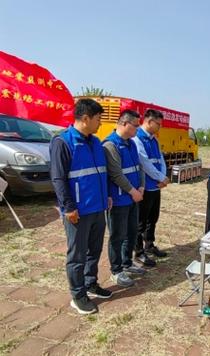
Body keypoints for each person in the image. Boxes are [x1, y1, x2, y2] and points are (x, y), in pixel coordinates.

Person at [50, 98, 112, 315]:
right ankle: (77, 295)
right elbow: (58, 179)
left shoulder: (95, 142)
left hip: (98, 207)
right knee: (77, 255)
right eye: (98, 119)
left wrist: (107, 197)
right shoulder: (63, 142)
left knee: (94, 250)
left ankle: (90, 283)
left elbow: (100, 173)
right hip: (78, 210)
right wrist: (68, 208)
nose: (99, 123)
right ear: (85, 118)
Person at [103, 110, 146, 288]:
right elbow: (115, 174)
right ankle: (116, 270)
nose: (137, 128)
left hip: (133, 198)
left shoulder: (131, 144)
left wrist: (141, 186)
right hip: (120, 199)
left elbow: (139, 166)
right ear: (124, 124)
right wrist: (132, 191)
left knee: (131, 233)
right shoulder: (110, 145)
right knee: (117, 236)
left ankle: (127, 263)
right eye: (135, 125)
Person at [132, 109, 169, 267]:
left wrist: (164, 177)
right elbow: (144, 163)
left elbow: (160, 159)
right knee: (140, 221)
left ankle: (149, 244)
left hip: (156, 186)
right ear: (148, 121)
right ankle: (138, 252)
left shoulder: (154, 139)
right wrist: (160, 178)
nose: (160, 127)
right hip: (145, 187)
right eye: (158, 124)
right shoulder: (137, 138)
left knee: (152, 219)